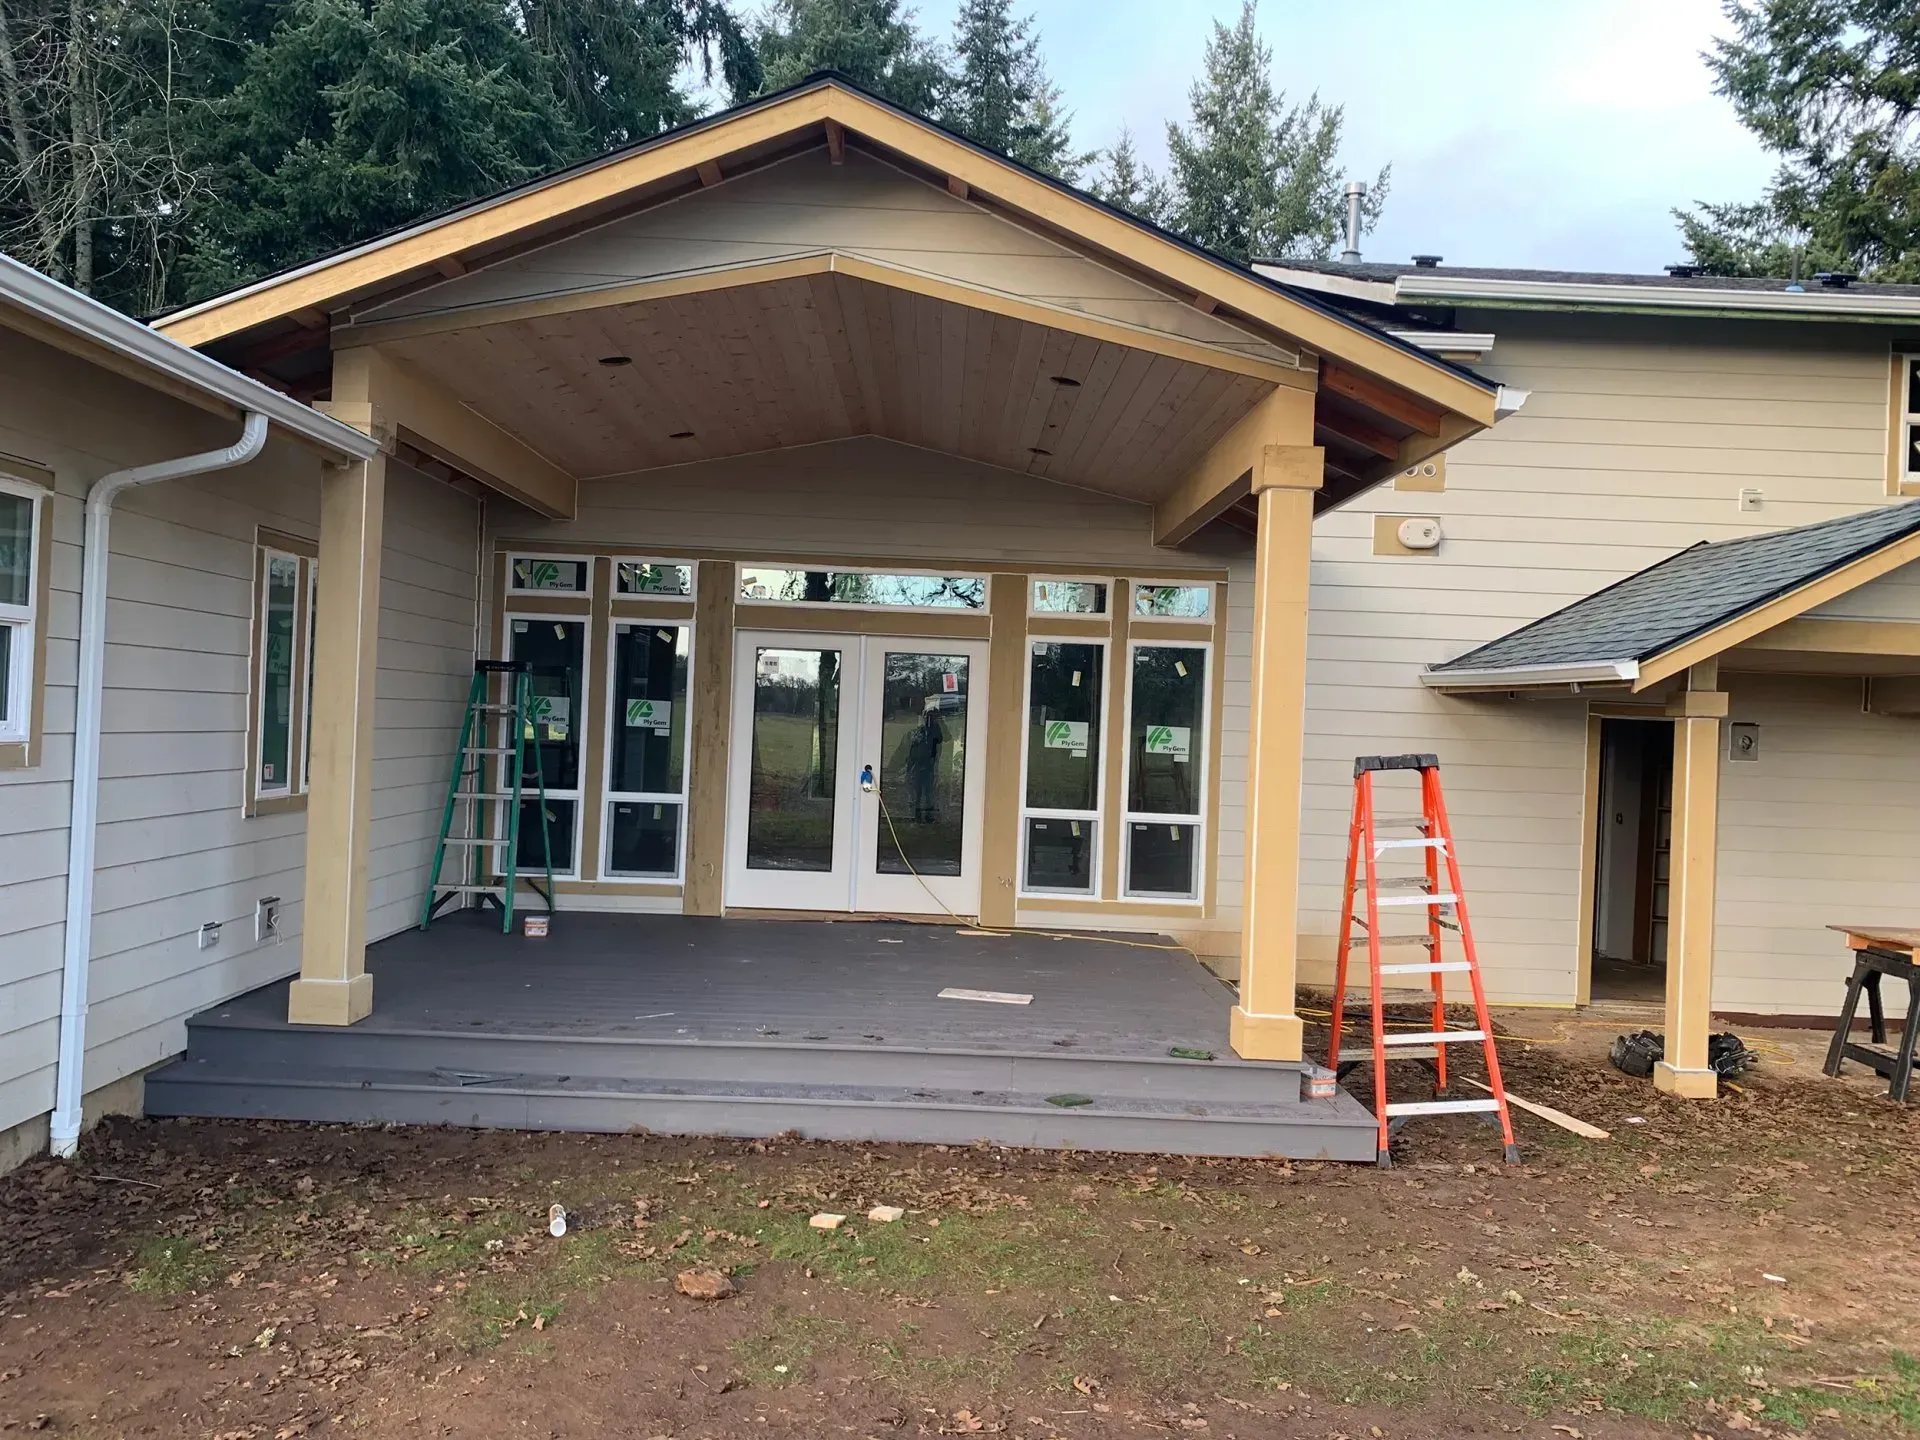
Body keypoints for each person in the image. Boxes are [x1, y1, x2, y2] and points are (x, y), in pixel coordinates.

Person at [905, 702, 946, 822]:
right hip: (918, 764)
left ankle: (928, 815)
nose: (929, 720)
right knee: (917, 790)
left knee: (928, 791)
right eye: (928, 717)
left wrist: (938, 723)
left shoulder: (935, 730)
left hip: (930, 764)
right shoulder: (920, 731)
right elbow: (913, 748)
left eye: (932, 717)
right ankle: (916, 814)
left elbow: (942, 739)